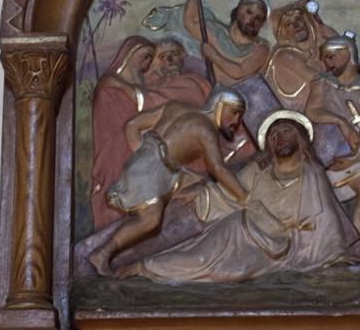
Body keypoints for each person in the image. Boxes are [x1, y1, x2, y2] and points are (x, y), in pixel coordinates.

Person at [117, 110, 360, 282]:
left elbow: (325, 221)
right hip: (242, 229)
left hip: (279, 246)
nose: (280, 139)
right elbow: (231, 193)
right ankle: (147, 266)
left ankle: (148, 267)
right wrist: (203, 193)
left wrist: (335, 255)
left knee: (212, 263)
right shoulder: (259, 169)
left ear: (300, 137)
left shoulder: (311, 174)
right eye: (274, 136)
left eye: (286, 132)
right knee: (200, 254)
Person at [89, 89, 248, 275]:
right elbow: (218, 169)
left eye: (240, 115)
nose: (236, 121)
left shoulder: (175, 107)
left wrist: (144, 156)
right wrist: (245, 197)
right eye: (234, 112)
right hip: (156, 169)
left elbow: (132, 124)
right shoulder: (205, 129)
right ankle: (102, 254)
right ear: (218, 105)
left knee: (198, 183)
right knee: (151, 220)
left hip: (160, 167)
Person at [305, 32, 360, 240]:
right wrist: (341, 122)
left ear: (348, 54)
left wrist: (354, 157)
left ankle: (354, 245)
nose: (327, 63)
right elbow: (312, 111)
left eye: (332, 56)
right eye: (325, 58)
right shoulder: (323, 82)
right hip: (324, 152)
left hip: (355, 153)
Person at [90, 36, 156, 230]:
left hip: (134, 146)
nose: (146, 64)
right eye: (144, 56)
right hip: (114, 152)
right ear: (128, 55)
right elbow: (112, 128)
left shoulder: (133, 88)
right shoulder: (109, 89)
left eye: (150, 59)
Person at [183, 0, 270, 84]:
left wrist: (213, 55)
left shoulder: (260, 49)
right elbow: (190, 23)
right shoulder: (217, 32)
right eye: (249, 12)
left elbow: (239, 72)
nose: (253, 20)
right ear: (238, 12)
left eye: (258, 18)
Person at [264, 2, 337, 111]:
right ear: (282, 32)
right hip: (296, 118)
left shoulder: (315, 50)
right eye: (288, 24)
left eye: (298, 19)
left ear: (307, 22)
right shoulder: (284, 57)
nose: (296, 25)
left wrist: (329, 34)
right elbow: (321, 81)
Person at [143, 38, 212, 108]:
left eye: (175, 54)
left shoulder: (194, 79)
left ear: (183, 56)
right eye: (162, 56)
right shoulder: (149, 85)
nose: (169, 59)